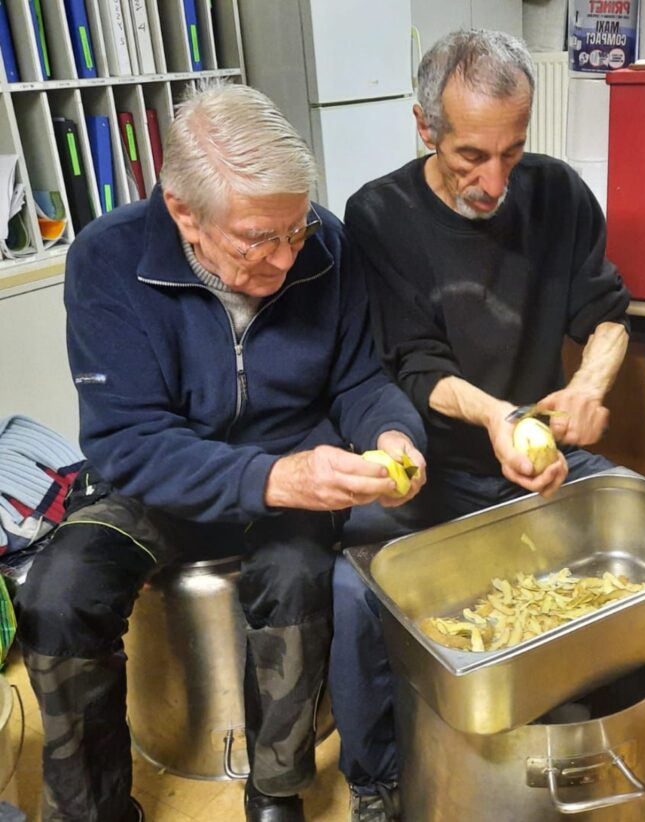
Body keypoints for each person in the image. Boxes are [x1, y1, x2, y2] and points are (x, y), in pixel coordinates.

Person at [14, 83, 427, 822]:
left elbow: (361, 379)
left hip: (289, 473)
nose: (284, 257)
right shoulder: (107, 262)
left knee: (298, 574)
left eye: (294, 230)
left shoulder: (324, 246)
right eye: (258, 240)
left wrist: (394, 434)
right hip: (161, 487)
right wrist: (271, 476)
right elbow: (129, 443)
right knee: (56, 591)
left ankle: (275, 788)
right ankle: (94, 806)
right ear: (183, 213)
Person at [329, 29, 631, 821]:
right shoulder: (380, 214)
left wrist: (590, 384)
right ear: (425, 126)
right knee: (355, 591)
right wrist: (501, 416)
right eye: (471, 156)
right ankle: (376, 779)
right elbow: (416, 367)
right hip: (436, 463)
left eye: (513, 152)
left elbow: (607, 317)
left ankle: (596, 722)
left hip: (538, 458)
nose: (495, 180)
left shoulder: (558, 192)